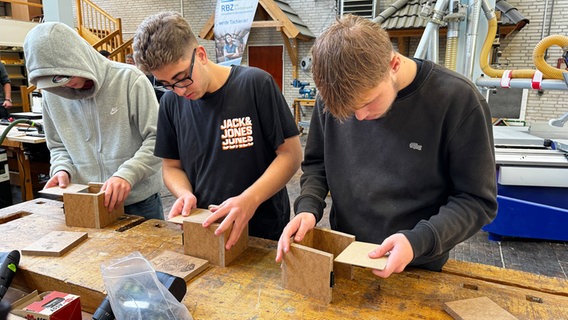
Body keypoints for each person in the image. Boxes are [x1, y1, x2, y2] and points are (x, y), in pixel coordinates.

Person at [276, 15, 498, 278]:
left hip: (416, 264)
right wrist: (308, 208)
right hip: (347, 253)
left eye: (367, 103)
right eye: (346, 112)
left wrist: (418, 241)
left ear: (393, 64)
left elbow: (476, 200)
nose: (358, 118)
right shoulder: (334, 96)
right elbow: (317, 165)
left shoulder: (458, 101)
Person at [133, 11, 302, 249]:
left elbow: (291, 156)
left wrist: (250, 199)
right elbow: (171, 167)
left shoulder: (256, 85)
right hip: (206, 229)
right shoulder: (171, 103)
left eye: (181, 78)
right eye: (167, 84)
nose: (179, 91)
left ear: (200, 54)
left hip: (263, 230)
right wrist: (184, 194)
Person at [23, 22, 164, 220]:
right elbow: (58, 146)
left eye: (66, 75)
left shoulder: (130, 80)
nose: (65, 85)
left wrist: (127, 174)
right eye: (54, 81)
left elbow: (158, 139)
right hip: (86, 201)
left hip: (138, 202)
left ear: (77, 56)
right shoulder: (51, 96)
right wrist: (62, 169)